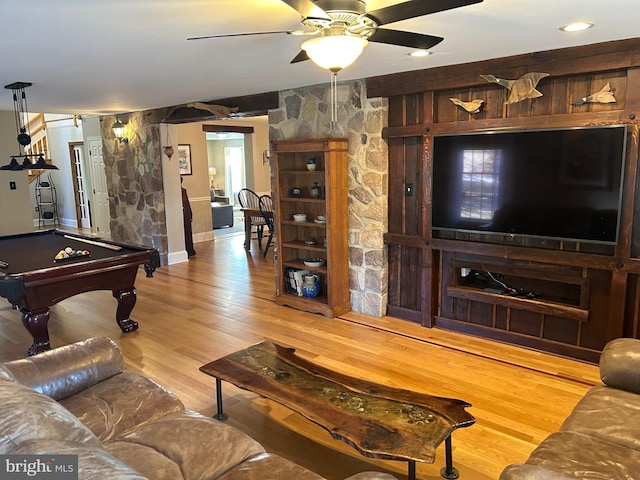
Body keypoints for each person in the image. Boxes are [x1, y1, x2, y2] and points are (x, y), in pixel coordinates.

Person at [181, 177, 196, 257]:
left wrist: (189, 214)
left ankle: (189, 250)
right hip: (184, 214)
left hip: (185, 214)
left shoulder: (183, 191)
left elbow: (186, 204)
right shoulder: (182, 191)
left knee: (187, 233)